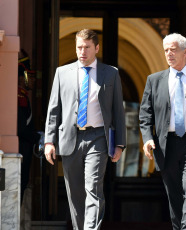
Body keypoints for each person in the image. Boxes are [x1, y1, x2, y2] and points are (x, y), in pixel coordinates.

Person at [44, 29, 126, 230]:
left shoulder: (111, 73)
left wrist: (120, 144)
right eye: (79, 47)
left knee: (93, 187)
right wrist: (48, 141)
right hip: (70, 138)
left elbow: (118, 111)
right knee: (75, 192)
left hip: (98, 136)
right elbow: (54, 109)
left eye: (87, 47)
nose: (82, 51)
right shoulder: (62, 73)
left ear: (96, 48)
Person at [139, 33, 186, 230]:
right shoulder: (154, 80)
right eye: (166, 50)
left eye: (173, 49)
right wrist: (147, 139)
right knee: (174, 194)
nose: (169, 54)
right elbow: (145, 114)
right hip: (167, 145)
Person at [17, 52, 40, 204]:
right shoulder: (19, 97)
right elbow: (20, 129)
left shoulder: (23, 96)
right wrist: (39, 137)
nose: (33, 80)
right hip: (20, 152)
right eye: (30, 76)